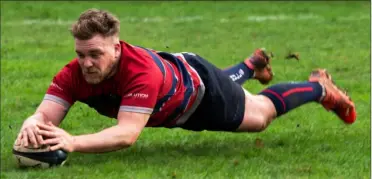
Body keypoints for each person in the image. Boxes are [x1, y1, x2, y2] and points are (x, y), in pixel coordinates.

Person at [14, 9, 356, 153]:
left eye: (95, 55)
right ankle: (249, 67)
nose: (86, 63)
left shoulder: (138, 72)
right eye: (80, 54)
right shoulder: (73, 73)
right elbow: (46, 115)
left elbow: (127, 133)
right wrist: (34, 121)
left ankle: (319, 87)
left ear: (116, 48)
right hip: (174, 83)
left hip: (199, 93)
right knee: (237, 92)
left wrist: (72, 142)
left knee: (261, 115)